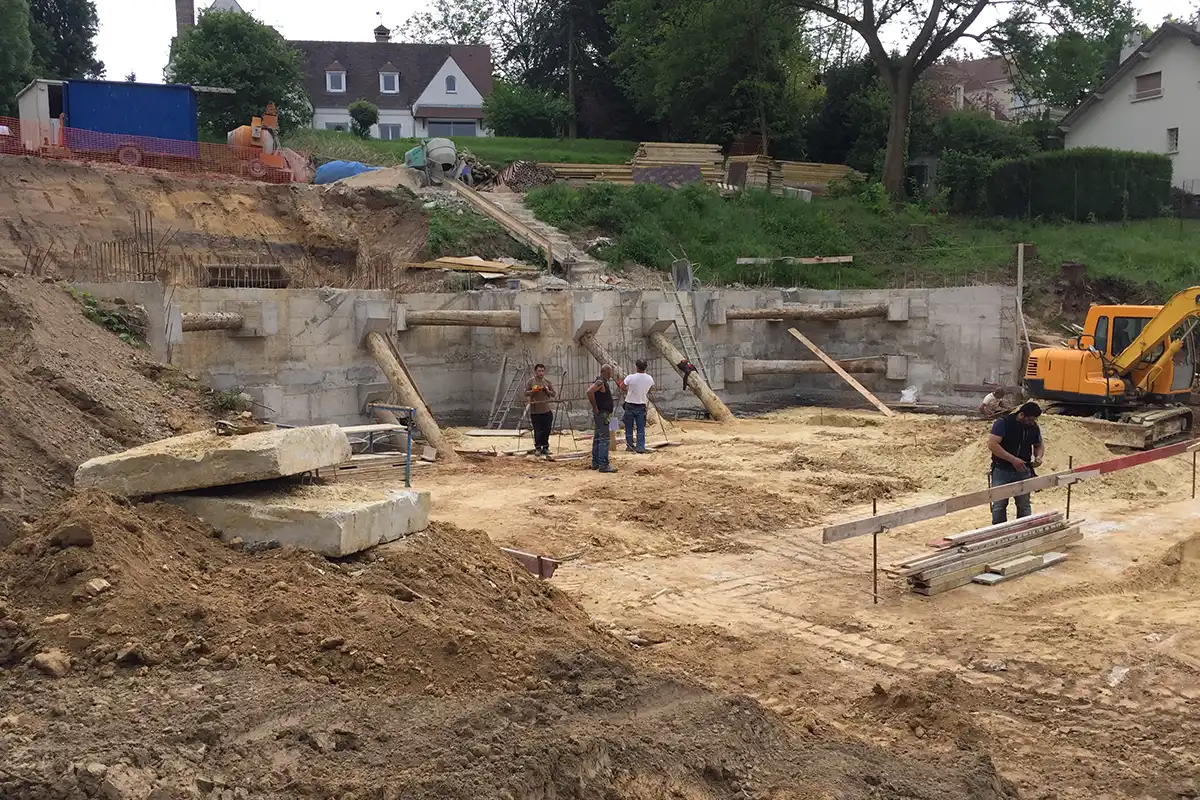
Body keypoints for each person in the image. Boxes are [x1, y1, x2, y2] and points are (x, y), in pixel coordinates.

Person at [988, 401, 1045, 524]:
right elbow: (992, 444)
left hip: (1023, 471)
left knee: (1024, 505)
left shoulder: (1033, 427)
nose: (1032, 423)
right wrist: (1013, 460)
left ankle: (1023, 530)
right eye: (1030, 420)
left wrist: (1038, 456)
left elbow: (1038, 445)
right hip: (1002, 470)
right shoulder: (1003, 423)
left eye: (1034, 420)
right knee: (999, 505)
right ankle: (999, 534)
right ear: (1021, 415)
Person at [586, 365, 617, 473]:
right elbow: (589, 391)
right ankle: (603, 465)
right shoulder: (600, 382)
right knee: (604, 439)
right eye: (611, 372)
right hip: (602, 414)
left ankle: (596, 463)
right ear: (607, 372)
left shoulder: (602, 381)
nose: (611, 374)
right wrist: (595, 407)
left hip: (604, 413)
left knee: (598, 437)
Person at [620, 359, 655, 454]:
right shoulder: (650, 378)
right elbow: (651, 388)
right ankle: (640, 446)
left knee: (629, 426)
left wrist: (626, 388)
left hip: (630, 404)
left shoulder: (630, 377)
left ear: (636, 366)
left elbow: (622, 386)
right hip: (641, 404)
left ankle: (630, 445)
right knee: (640, 427)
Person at [525, 364, 556, 457]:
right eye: (539, 371)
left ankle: (545, 447)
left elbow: (553, 394)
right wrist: (533, 391)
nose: (541, 373)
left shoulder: (547, 382)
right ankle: (538, 448)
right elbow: (525, 393)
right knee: (537, 431)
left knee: (547, 430)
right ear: (535, 371)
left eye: (542, 371)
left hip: (546, 410)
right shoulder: (530, 382)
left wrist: (546, 390)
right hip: (535, 411)